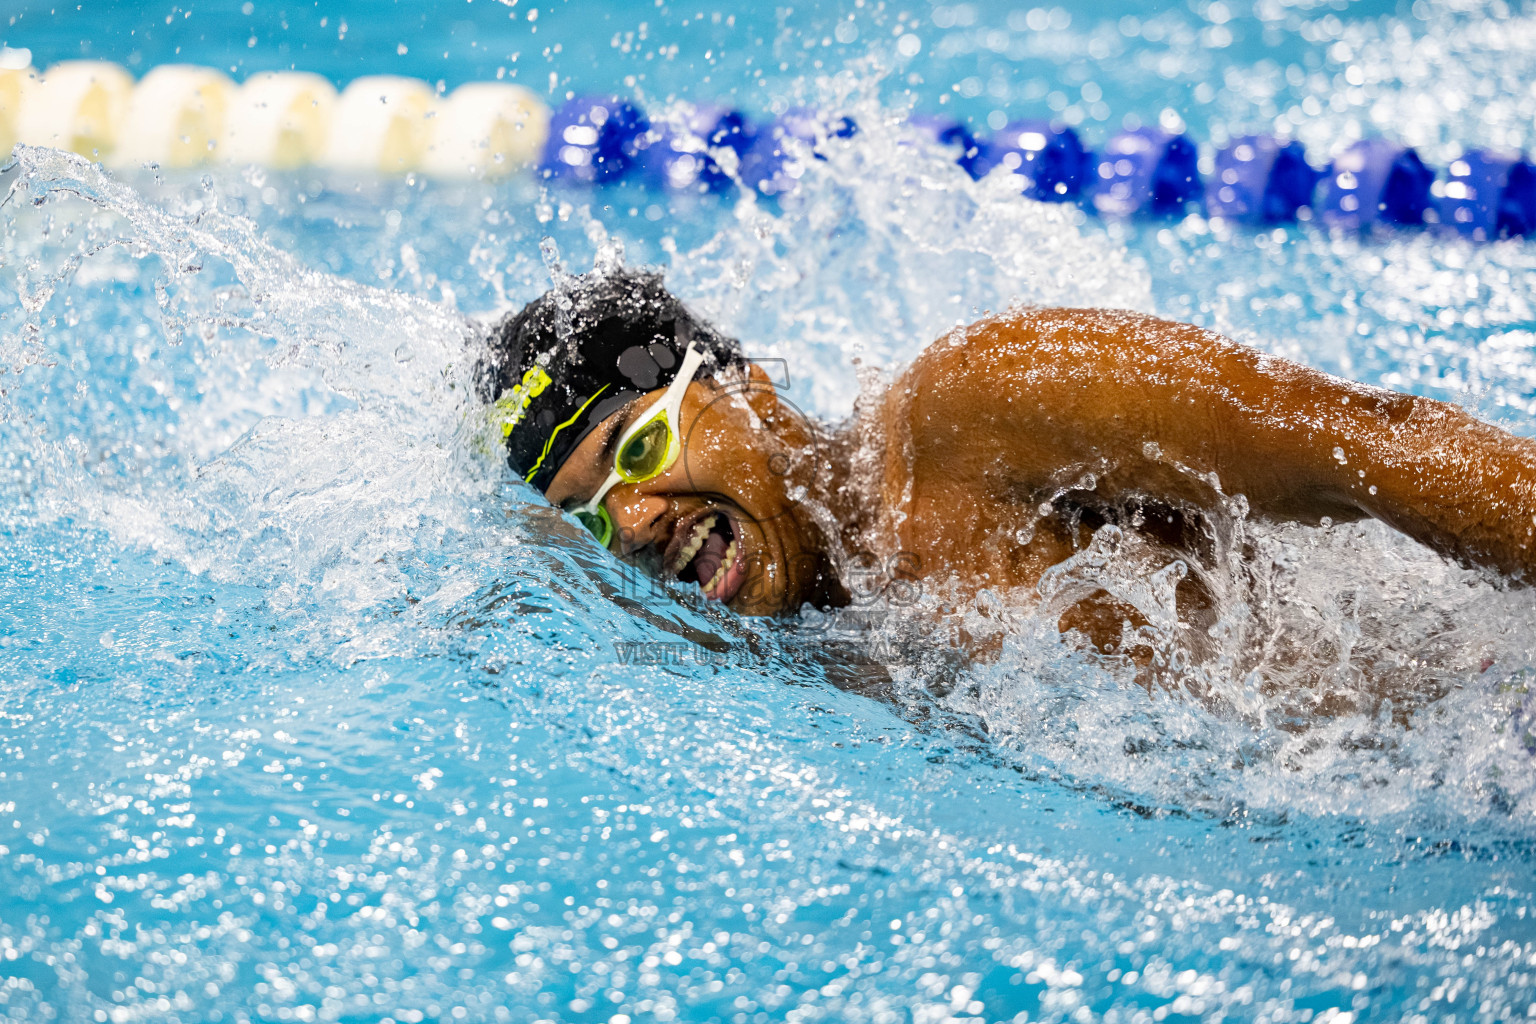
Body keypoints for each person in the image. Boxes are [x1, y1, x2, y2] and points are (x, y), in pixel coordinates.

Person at [481, 267, 1536, 652]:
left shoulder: (974, 408)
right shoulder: (786, 620)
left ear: (744, 384)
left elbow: (1375, 443)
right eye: (590, 513)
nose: (632, 522)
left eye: (642, 448)